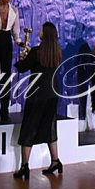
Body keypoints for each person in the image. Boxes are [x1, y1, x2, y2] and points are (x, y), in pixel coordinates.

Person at [14, 22, 64, 179]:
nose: (39, 31)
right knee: (50, 126)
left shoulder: (37, 52)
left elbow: (22, 67)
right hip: (53, 93)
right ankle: (55, 161)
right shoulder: (57, 52)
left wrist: (22, 57)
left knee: (29, 128)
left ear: (45, 34)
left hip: (37, 94)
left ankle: (24, 166)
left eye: (42, 30)